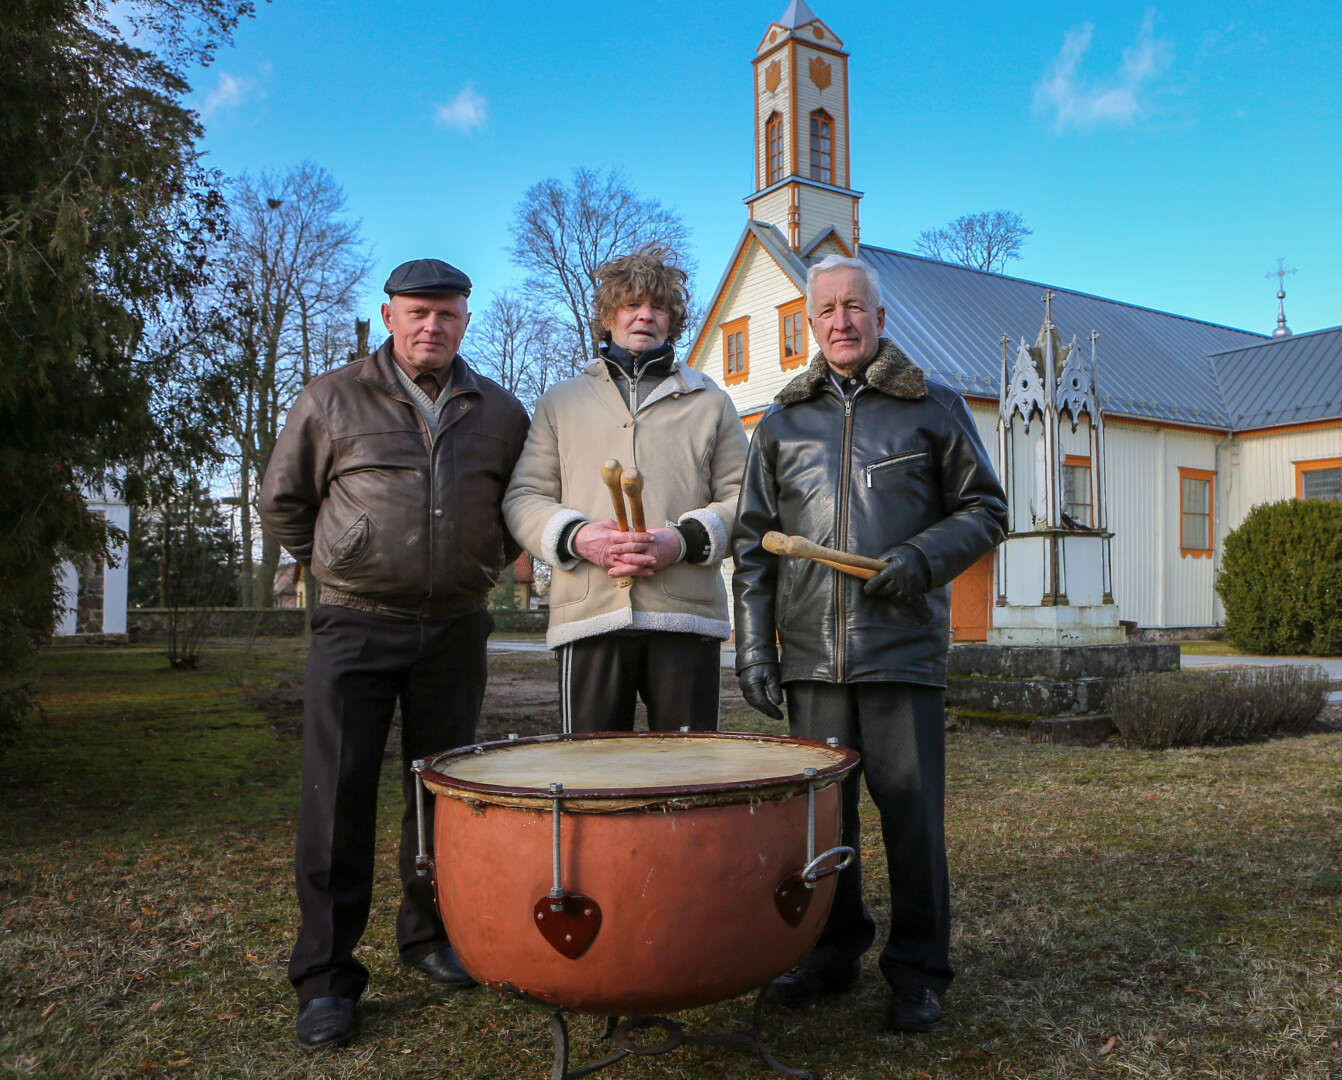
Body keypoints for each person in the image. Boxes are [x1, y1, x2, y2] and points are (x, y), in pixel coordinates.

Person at [259, 259, 531, 1051]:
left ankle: (428, 937)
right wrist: (341, 559)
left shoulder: (499, 412)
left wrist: (478, 566)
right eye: (416, 312)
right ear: (388, 315)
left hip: (455, 628)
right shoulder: (333, 397)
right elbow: (283, 500)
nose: (431, 327)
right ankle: (326, 978)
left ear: (465, 321)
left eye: (446, 314)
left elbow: (518, 506)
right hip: (356, 625)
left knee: (440, 795)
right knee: (337, 799)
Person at [732, 254, 1007, 1033]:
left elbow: (986, 508)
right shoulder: (781, 424)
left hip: (902, 652)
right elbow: (754, 548)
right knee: (823, 823)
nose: (841, 321)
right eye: (826, 311)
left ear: (881, 319)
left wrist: (920, 560)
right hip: (813, 659)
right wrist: (757, 648)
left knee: (911, 818)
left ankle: (919, 970)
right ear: (811, 325)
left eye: (855, 307)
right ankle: (828, 951)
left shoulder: (933, 407)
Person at [503, 244, 747, 732]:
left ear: (673, 321)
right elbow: (523, 497)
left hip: (686, 616)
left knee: (687, 772)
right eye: (631, 304)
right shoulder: (561, 401)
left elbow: (746, 496)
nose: (644, 316)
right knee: (592, 777)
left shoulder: (711, 402)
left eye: (658, 306)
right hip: (589, 613)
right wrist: (578, 537)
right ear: (608, 316)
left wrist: (681, 541)